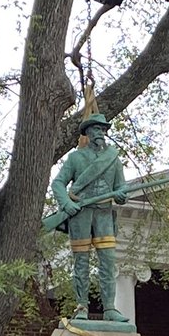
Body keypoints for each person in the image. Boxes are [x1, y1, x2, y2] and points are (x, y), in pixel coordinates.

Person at [50, 113, 129, 323]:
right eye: (96, 129)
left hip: (104, 214)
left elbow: (121, 187)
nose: (101, 133)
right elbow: (58, 183)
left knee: (108, 262)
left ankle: (110, 308)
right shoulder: (76, 158)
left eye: (103, 130)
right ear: (87, 132)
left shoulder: (113, 158)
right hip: (81, 214)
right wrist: (66, 204)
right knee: (81, 262)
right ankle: (81, 306)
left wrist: (121, 194)